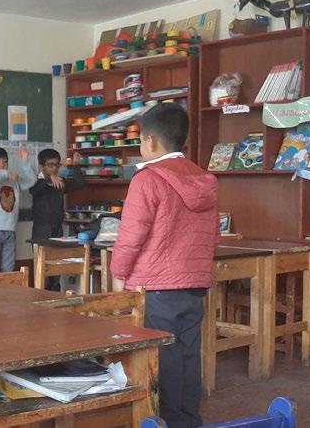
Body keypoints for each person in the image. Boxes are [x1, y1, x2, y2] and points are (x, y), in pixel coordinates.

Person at [110, 103, 219, 428]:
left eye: (141, 141)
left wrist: (118, 274)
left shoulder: (147, 179)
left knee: (162, 357)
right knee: (187, 355)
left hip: (155, 285)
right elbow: (212, 235)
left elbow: (131, 235)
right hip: (194, 284)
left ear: (151, 141)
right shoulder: (205, 178)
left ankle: (166, 422)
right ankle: (188, 420)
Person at [29, 149, 84, 290]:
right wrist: (48, 180)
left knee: (56, 269)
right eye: (50, 165)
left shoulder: (60, 182)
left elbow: (79, 183)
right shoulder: (36, 181)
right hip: (41, 231)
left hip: (57, 229)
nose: (54, 168)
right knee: (42, 271)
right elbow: (34, 190)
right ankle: (41, 299)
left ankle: (56, 297)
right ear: (42, 166)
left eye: (57, 165)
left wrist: (76, 165)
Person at [0, 146, 36, 273]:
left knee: (8, 269)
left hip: (10, 230)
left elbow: (31, 180)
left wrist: (25, 161)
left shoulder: (12, 181)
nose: (2, 165)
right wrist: (5, 173)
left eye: (5, 162)